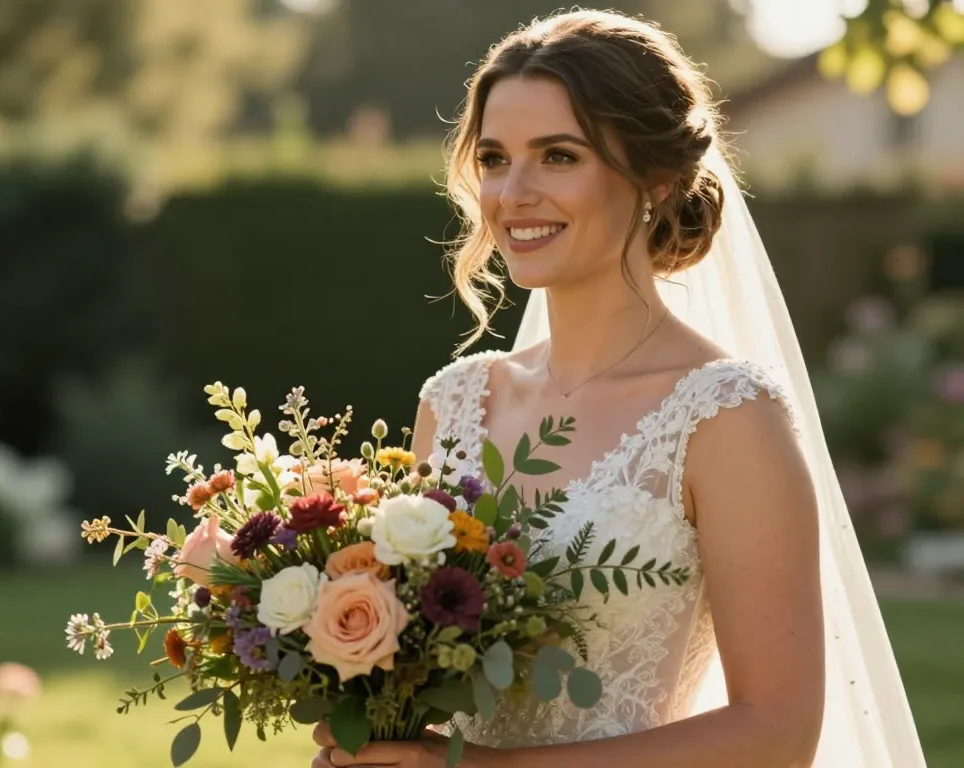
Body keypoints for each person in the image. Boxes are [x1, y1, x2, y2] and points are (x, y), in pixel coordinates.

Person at [312, 9, 927, 768]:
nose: (514, 192)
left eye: (559, 156)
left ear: (657, 178)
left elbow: (778, 734)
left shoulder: (726, 418)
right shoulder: (455, 403)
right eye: (497, 157)